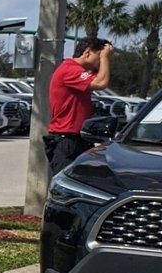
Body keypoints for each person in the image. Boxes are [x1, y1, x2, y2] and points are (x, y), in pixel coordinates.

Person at [44, 36, 112, 174]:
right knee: (66, 186)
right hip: (67, 141)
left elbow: (98, 78)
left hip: (79, 139)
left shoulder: (79, 72)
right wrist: (105, 57)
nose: (100, 61)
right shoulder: (69, 70)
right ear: (87, 52)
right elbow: (101, 83)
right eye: (98, 56)